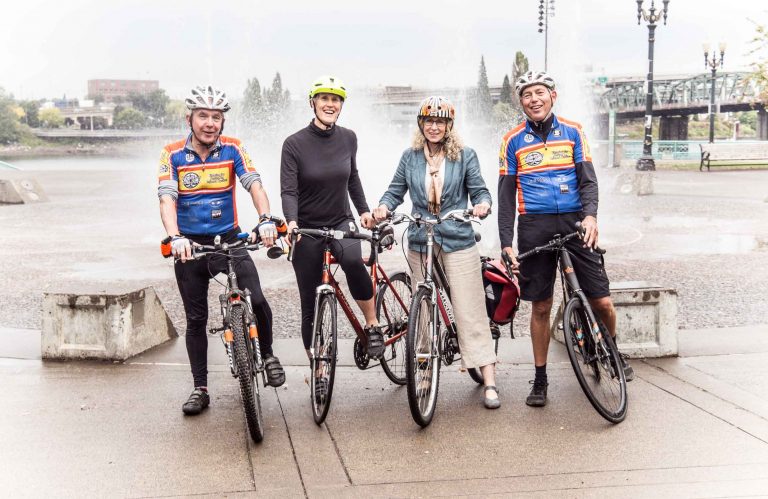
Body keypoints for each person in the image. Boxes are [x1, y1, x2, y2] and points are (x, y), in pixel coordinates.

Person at [497, 71, 634, 408]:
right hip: (534, 225)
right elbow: (504, 198)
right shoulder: (512, 140)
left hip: (575, 222)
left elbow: (588, 181)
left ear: (552, 96)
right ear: (521, 102)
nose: (534, 99)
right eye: (527, 95)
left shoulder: (574, 131)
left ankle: (611, 349)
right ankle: (540, 377)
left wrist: (591, 216)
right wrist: (506, 242)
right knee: (540, 305)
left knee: (601, 301)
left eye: (540, 92)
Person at [158, 84, 285, 416]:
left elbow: (253, 183)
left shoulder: (233, 148)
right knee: (196, 319)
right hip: (190, 247)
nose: (210, 123)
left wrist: (266, 218)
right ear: (190, 118)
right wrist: (174, 238)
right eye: (203, 116)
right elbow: (167, 198)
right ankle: (200, 388)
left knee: (255, 299)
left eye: (216, 117)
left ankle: (268, 355)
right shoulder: (172, 153)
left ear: (223, 121)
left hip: (228, 240)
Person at [373, 96, 501, 409]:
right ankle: (423, 370)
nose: (434, 126)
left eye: (440, 121)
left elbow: (480, 190)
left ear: (449, 126)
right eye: (428, 121)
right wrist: (383, 207)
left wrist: (482, 205)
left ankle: (489, 379)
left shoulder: (465, 155)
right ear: (421, 124)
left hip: (456, 237)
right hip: (420, 238)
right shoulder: (410, 156)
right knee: (422, 311)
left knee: (469, 307)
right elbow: (394, 191)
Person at [280, 75, 383, 364]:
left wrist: (363, 210)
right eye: (324, 98)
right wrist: (291, 222)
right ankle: (318, 366)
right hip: (308, 227)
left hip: (340, 221)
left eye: (335, 99)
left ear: (340, 106)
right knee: (309, 301)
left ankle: (372, 324)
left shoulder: (349, 138)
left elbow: (353, 178)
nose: (330, 104)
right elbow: (288, 190)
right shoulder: (293, 144)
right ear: (313, 103)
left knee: (352, 262)